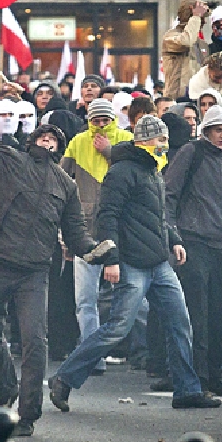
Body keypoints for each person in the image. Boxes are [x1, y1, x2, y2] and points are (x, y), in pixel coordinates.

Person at [0, 119, 112, 436]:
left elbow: (76, 235)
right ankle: (5, 388)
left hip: (34, 269)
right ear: (31, 142)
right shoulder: (7, 159)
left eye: (54, 140)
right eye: (43, 138)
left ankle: (28, 414)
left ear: (60, 149)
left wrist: (95, 251)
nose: (47, 143)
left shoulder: (66, 185)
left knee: (34, 340)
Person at [49, 115, 219, 410]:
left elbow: (158, 215)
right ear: (144, 141)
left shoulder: (152, 170)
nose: (165, 145)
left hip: (158, 262)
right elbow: (108, 216)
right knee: (117, 328)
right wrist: (111, 259)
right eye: (161, 140)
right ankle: (64, 378)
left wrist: (174, 239)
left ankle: (187, 390)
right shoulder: (123, 171)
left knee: (180, 323)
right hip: (132, 263)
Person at [164, 105, 222, 395]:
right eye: (218, 129)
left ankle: (217, 377)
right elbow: (169, 195)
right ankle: (199, 380)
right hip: (195, 243)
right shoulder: (191, 153)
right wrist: (174, 237)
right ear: (205, 130)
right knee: (198, 314)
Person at [60, 98, 133, 375]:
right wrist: (65, 237)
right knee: (85, 302)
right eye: (96, 120)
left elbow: (149, 169)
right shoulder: (77, 142)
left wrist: (110, 152)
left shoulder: (127, 140)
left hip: (122, 234)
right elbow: (59, 183)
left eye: (106, 119)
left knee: (129, 300)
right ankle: (93, 357)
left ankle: (133, 350)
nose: (101, 125)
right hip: (86, 236)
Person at [161, 0, 209, 99]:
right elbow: (186, 42)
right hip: (176, 97)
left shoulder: (202, 44)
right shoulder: (170, 37)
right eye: (202, 17)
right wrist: (196, 17)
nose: (204, 22)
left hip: (198, 97)